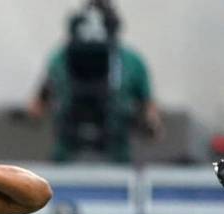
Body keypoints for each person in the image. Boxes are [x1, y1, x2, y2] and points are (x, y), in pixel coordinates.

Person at [28, 0, 162, 163]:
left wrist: (148, 124)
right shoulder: (61, 58)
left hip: (116, 155)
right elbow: (40, 101)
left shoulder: (131, 62)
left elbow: (149, 110)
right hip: (68, 155)